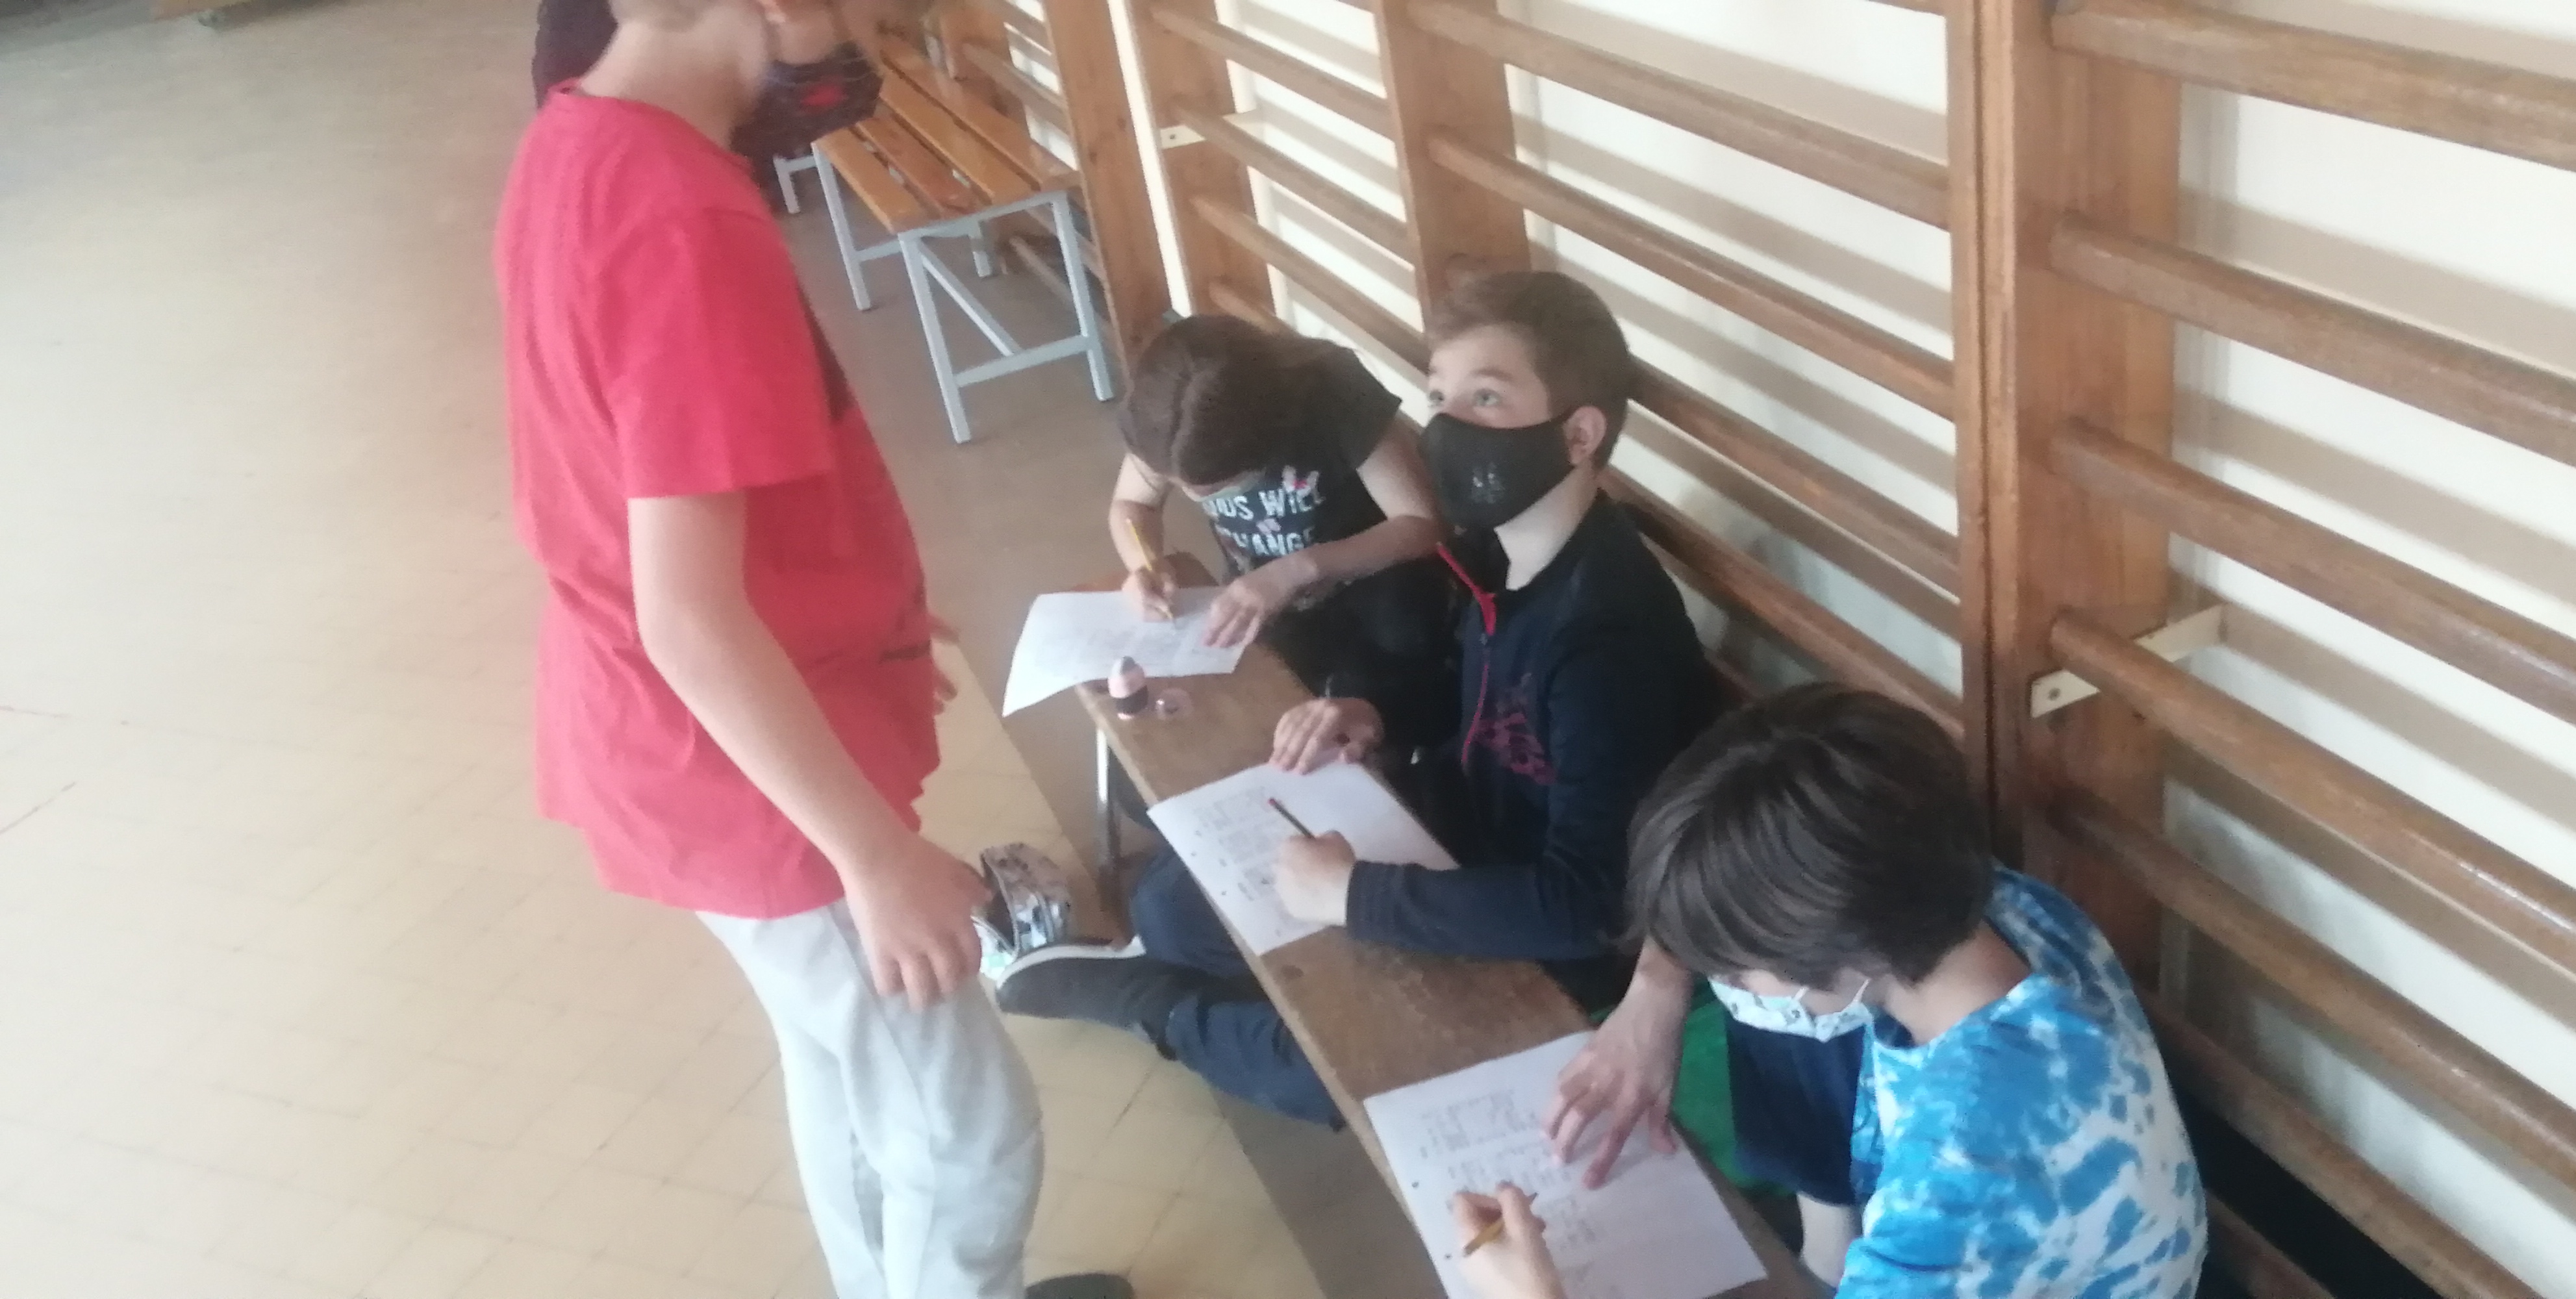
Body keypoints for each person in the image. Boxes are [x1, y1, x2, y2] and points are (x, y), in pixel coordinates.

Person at [493, 1, 1125, 1295]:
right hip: (758, 796)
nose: (860, 21)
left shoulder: (582, 135)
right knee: (967, 1139)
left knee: (845, 1069)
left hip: (679, 743)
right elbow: (689, 615)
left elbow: (660, 494)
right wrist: (874, 857)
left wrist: (858, 615)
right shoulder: (686, 220)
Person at [1000, 272, 1721, 1126]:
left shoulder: (1607, 637)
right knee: (1168, 907)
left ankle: (1152, 1005)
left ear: (1579, 432)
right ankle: (1193, 975)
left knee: (1312, 1074)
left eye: (1487, 398)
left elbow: (1589, 903)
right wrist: (1375, 715)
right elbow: (1478, 707)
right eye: (1440, 397)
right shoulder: (1498, 559)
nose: (1448, 427)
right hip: (1449, 835)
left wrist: (1355, 896)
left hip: (1529, 918)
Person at [1542, 685, 2208, 1296]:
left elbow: (1960, 1188)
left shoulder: (1971, 1155)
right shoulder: (1984, 903)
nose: (1731, 990)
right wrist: (1658, 984)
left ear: (1841, 947)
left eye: (1739, 975)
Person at [1106, 313, 1452, 750]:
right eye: (1176, 484)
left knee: (1374, 716)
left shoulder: (1335, 394)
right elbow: (1133, 505)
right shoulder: (1163, 424)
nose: (1193, 497)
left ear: (1268, 442)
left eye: (1217, 488)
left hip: (1378, 582)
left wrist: (1299, 568)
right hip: (1267, 595)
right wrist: (1143, 564)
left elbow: (1423, 524)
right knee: (1261, 712)